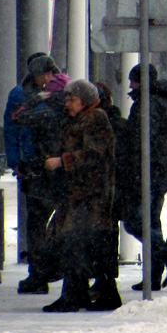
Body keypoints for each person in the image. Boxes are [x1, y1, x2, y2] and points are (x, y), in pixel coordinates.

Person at [42, 79, 121, 312]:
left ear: (85, 100)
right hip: (78, 193)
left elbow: (94, 154)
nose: (67, 103)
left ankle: (77, 294)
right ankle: (90, 293)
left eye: (72, 99)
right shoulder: (77, 119)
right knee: (84, 244)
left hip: (91, 195)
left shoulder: (96, 118)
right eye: (66, 98)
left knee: (77, 243)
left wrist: (62, 161)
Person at [120, 63, 167, 292]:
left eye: (133, 80)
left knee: (135, 222)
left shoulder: (145, 105)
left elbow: (139, 140)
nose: (130, 85)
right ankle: (153, 276)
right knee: (152, 221)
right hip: (163, 169)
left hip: (148, 170)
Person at [9, 54, 69, 294]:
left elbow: (17, 117)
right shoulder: (72, 114)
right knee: (63, 225)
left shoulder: (47, 113)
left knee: (37, 226)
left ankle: (40, 274)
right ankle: (61, 272)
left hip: (43, 176)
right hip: (65, 177)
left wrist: (36, 100)